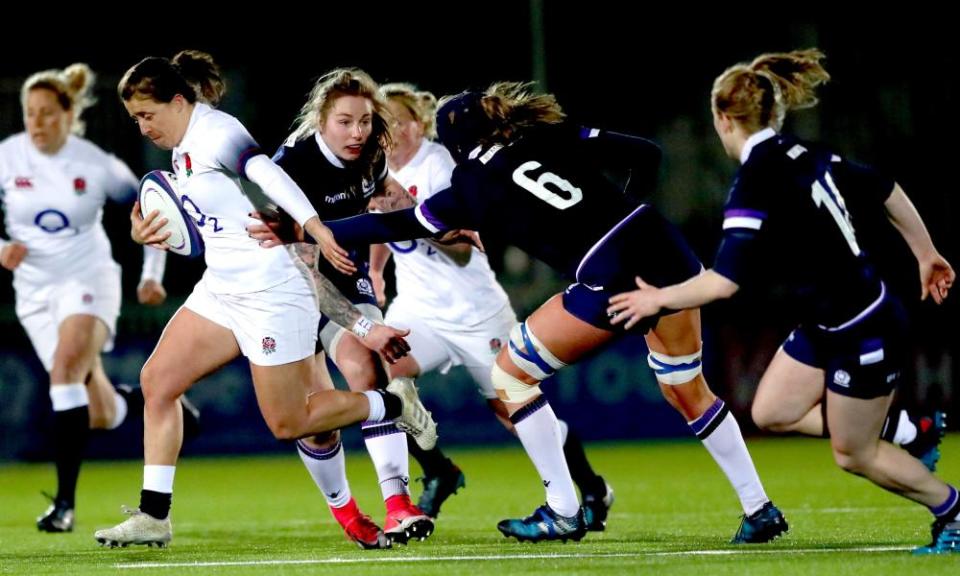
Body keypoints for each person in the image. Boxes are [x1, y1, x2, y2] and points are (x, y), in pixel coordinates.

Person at [257, 82, 787, 544]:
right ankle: (758, 507)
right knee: (687, 390)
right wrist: (623, 216)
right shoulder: (544, 136)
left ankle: (561, 510)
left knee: (512, 375)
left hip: (606, 276)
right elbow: (645, 153)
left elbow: (392, 227)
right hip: (666, 251)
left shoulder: (467, 185)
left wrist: (304, 228)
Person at [605, 49, 958, 555]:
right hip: (828, 322)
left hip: (863, 329)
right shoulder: (805, 153)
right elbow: (886, 189)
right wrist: (926, 253)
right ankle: (909, 429)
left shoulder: (756, 179)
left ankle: (953, 510)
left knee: (853, 454)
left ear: (723, 119)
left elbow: (724, 283)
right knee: (771, 410)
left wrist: (657, 299)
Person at [92, 51, 435, 549]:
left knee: (290, 421)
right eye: (135, 119)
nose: (142, 127)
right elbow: (183, 211)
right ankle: (154, 515)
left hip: (274, 290)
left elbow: (266, 173)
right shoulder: (181, 143)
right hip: (222, 286)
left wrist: (314, 225)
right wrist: (145, 228)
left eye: (146, 115)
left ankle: (388, 402)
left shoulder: (215, 131)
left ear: (177, 101)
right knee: (157, 381)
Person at [367, 82, 614, 527]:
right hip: (419, 311)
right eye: (386, 124)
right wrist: (375, 273)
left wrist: (409, 210)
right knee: (380, 377)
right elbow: (381, 226)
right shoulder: (380, 169)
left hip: (475, 312)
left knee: (514, 412)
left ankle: (592, 488)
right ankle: (438, 471)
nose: (394, 131)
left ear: (419, 124)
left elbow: (462, 249)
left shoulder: (439, 166)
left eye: (401, 121)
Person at [0, 62, 184, 534]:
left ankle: (63, 505)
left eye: (46, 113)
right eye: (30, 113)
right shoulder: (7, 157)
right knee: (96, 411)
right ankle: (155, 414)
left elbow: (154, 207)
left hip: (88, 280)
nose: (37, 122)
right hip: (34, 292)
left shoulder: (97, 164)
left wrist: (151, 274)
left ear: (68, 114)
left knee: (64, 372)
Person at [270, 69, 432, 547]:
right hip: (286, 287)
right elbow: (301, 272)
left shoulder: (371, 152)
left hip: (344, 273)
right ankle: (347, 513)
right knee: (313, 422)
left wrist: (446, 223)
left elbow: (393, 200)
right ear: (321, 120)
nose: (357, 133)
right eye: (344, 122)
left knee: (369, 365)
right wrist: (362, 323)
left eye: (364, 121)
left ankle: (399, 505)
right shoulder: (290, 168)